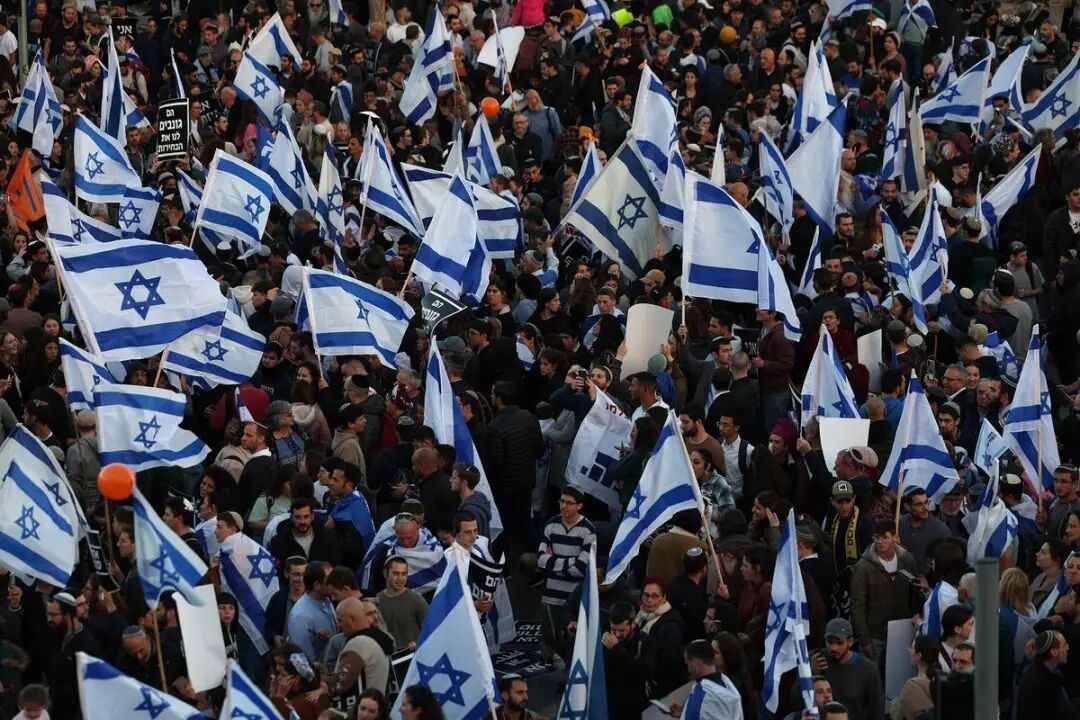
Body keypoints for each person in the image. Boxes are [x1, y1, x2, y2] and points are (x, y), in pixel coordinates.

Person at [813, 617, 884, 720]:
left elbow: (877, 712)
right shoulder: (817, 659)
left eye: (839, 643)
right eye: (830, 642)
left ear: (850, 642)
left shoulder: (869, 669)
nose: (833, 648)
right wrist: (812, 675)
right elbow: (796, 699)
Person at [375, 556, 428, 650]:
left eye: (404, 574)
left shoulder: (416, 600)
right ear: (385, 573)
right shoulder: (376, 601)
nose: (400, 578)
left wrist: (418, 643)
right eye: (396, 573)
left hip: (412, 654)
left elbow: (430, 628)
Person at [1017, 630, 1072, 720]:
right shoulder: (1041, 683)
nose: (1067, 648)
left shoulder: (1049, 673)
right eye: (1064, 645)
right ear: (1054, 652)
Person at [892, 635, 938, 720]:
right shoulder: (940, 682)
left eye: (912, 648)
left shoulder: (912, 686)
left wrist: (895, 704)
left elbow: (898, 716)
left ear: (919, 655)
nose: (910, 651)